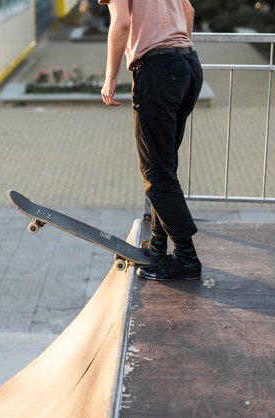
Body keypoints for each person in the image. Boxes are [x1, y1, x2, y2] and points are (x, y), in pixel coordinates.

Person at [99, 0, 203, 281]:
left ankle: (186, 257)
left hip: (158, 71)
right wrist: (177, 56)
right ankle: (158, 244)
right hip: (188, 65)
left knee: (155, 172)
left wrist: (110, 78)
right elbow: (189, 12)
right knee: (164, 163)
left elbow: (121, 23)